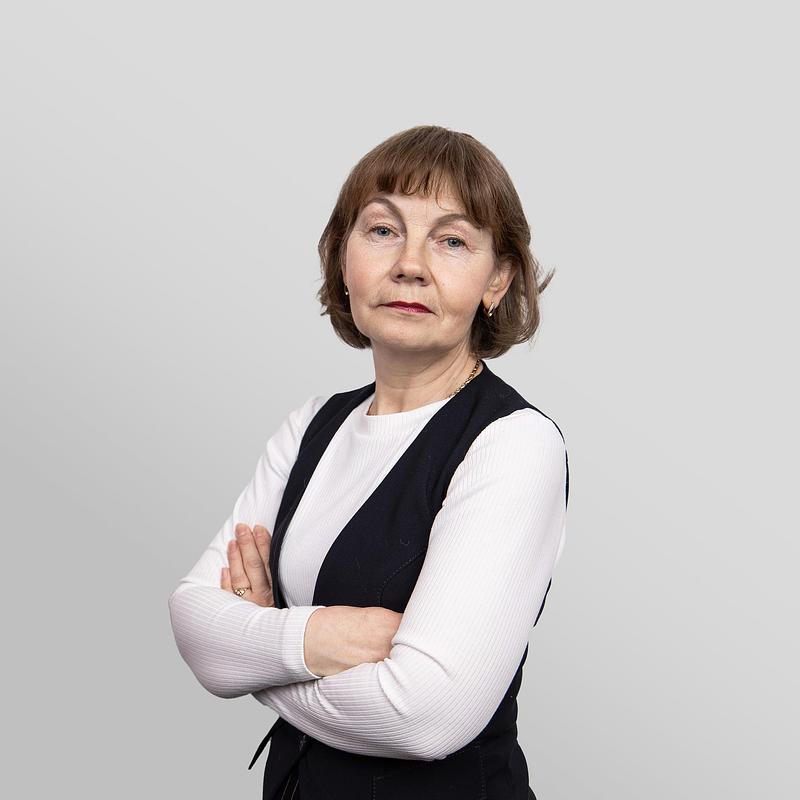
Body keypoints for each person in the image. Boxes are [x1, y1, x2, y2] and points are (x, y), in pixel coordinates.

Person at [168, 124, 569, 800]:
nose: (411, 264)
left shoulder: (513, 444)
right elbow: (194, 622)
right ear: (342, 258)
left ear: (497, 279)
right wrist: (324, 636)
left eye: (451, 241)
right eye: (383, 231)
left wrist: (259, 653)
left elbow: (425, 716)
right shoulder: (311, 426)